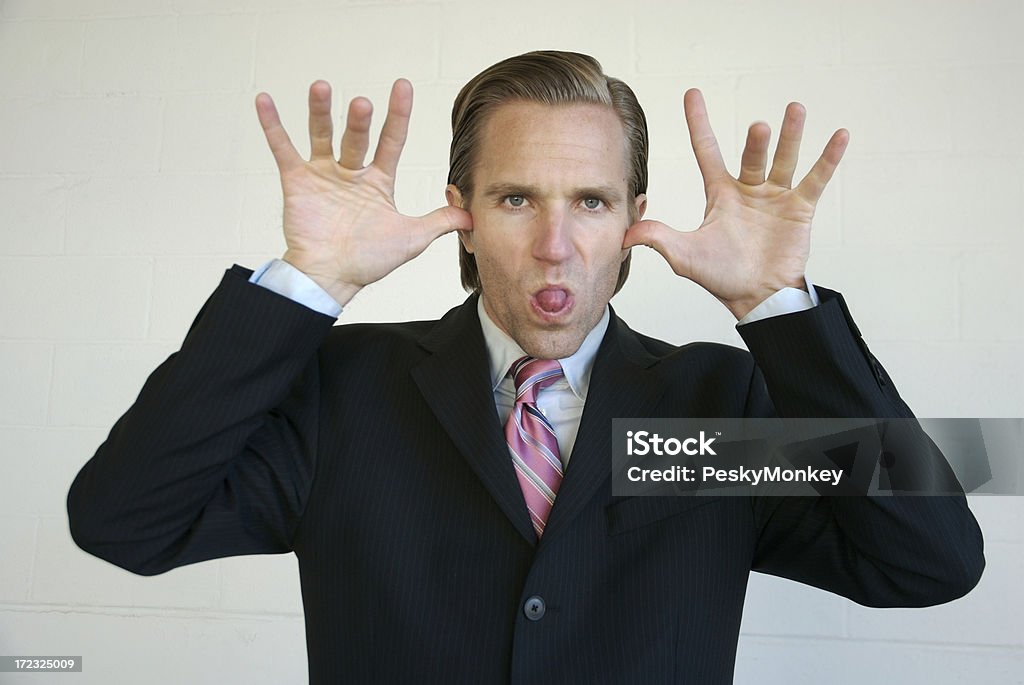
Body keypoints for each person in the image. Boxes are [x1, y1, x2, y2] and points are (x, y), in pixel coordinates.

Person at [67, 51, 984, 683]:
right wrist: (308, 283)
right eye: (516, 198)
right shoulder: (343, 387)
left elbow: (932, 562)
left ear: (635, 217)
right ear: (461, 210)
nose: (555, 245)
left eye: (591, 200)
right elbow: (123, 521)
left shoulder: (709, 404)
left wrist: (778, 306)